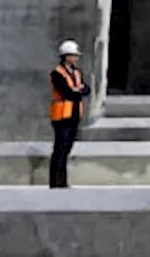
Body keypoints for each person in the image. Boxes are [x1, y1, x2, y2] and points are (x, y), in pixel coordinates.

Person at [48, 39, 91, 188]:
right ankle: (55, 182)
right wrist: (77, 90)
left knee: (66, 150)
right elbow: (66, 92)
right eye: (74, 56)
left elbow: (87, 89)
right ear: (66, 56)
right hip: (61, 117)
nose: (76, 59)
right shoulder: (57, 73)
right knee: (59, 150)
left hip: (73, 116)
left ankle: (63, 181)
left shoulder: (77, 73)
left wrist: (77, 90)